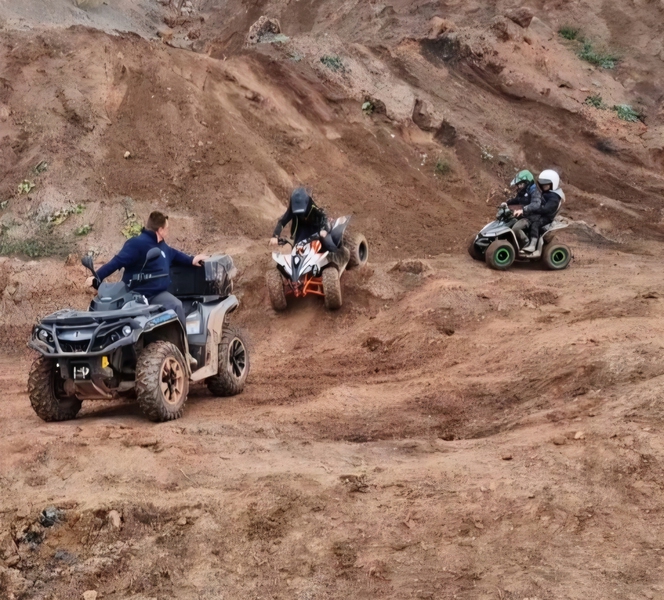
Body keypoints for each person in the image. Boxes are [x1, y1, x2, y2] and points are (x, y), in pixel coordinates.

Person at [86, 211, 208, 330]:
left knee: (176, 305)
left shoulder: (162, 246)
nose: (168, 231)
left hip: (156, 294)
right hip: (136, 294)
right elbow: (117, 261)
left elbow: (175, 254)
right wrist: (97, 276)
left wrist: (192, 260)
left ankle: (181, 342)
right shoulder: (137, 244)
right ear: (160, 230)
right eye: (167, 228)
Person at [269, 187, 338, 253]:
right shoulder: (292, 209)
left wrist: (324, 230)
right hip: (301, 230)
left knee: (327, 243)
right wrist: (275, 236)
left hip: (315, 229)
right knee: (297, 250)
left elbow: (323, 217)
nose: (300, 213)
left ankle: (336, 253)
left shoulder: (312, 206)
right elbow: (282, 221)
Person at [513, 170, 564, 253]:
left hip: (546, 217)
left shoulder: (554, 197)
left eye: (546, 184)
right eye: (542, 184)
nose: (544, 186)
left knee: (535, 224)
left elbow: (546, 209)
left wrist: (533, 208)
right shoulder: (546, 192)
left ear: (553, 183)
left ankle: (532, 245)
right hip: (541, 214)